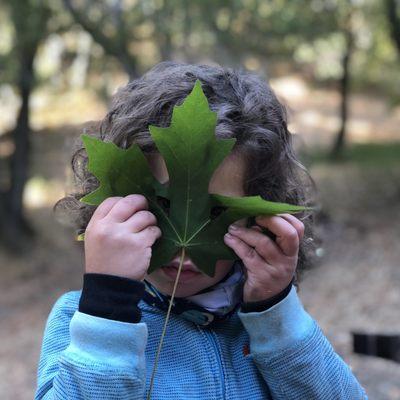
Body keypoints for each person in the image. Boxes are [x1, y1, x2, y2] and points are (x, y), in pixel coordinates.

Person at [34, 61, 368, 399]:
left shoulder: (269, 326)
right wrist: (108, 308)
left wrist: (276, 314)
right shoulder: (82, 320)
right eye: (162, 208)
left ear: (260, 216)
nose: (184, 252)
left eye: (218, 211)